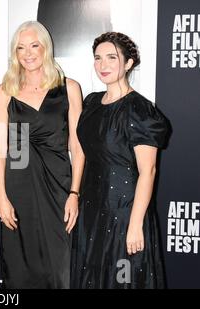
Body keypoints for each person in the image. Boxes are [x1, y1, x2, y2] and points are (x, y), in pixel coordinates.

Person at [71, 32, 168, 288]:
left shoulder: (139, 109)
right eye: (98, 58)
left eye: (112, 58)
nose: (103, 65)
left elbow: (148, 171)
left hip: (124, 211)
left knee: (122, 279)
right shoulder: (91, 103)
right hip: (91, 209)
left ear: (128, 63)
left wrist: (136, 224)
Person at [0, 21, 85, 288]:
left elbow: (78, 147)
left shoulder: (69, 88)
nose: (28, 53)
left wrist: (74, 194)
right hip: (18, 189)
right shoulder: (5, 91)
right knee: (20, 270)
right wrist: (1, 197)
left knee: (61, 269)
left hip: (59, 189)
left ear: (46, 47)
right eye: (21, 48)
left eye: (34, 45)